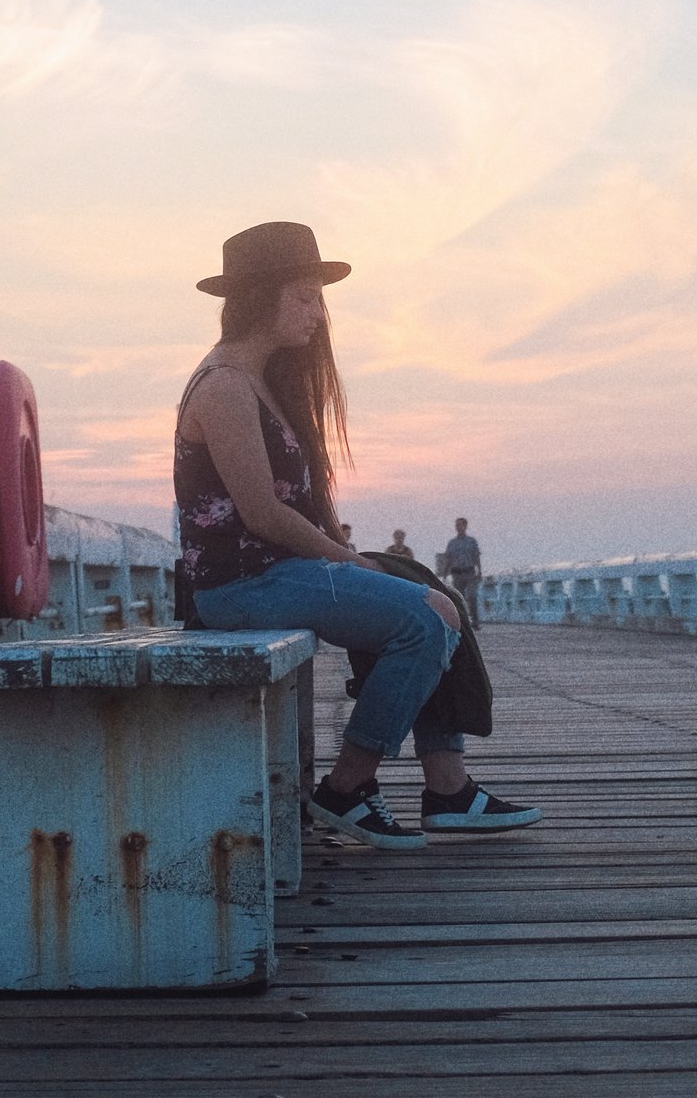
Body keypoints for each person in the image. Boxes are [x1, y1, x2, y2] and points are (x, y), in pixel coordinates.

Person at [174, 221, 539, 848]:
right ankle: (347, 788)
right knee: (421, 621)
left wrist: (363, 567)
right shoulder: (227, 386)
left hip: (276, 574)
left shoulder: (259, 379)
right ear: (263, 299)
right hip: (241, 587)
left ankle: (447, 786)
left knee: (430, 594)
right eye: (307, 297)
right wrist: (351, 562)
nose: (321, 314)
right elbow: (262, 514)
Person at [443, 517, 483, 618]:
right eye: (456, 525)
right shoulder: (452, 543)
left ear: (465, 526)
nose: (458, 527)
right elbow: (448, 559)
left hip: (470, 572)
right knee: (459, 598)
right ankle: (462, 621)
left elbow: (476, 556)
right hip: (457, 573)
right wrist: (445, 574)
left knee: (472, 596)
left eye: (460, 525)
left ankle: (475, 620)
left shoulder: (472, 541)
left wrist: (479, 571)